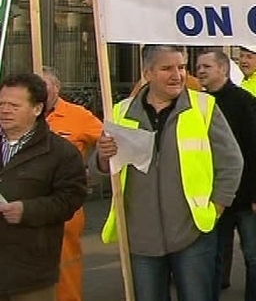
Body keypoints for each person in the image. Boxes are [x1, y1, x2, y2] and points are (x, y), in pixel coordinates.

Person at [90, 44, 243, 301]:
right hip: (141, 235)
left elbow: (231, 162)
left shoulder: (203, 107)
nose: (178, 75)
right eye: (167, 68)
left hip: (192, 232)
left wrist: (217, 207)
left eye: (181, 67)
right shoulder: (121, 112)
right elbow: (104, 168)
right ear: (147, 73)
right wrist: (102, 157)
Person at [195, 49, 256, 301]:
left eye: (207, 66)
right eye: (198, 67)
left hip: (246, 195)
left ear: (223, 70)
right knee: (214, 253)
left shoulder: (244, 102)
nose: (200, 71)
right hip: (216, 195)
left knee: (254, 254)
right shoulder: (198, 104)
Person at [0, 73, 87, 301]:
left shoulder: (61, 152)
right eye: (2, 104)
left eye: (14, 105)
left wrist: (27, 210)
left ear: (37, 109)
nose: (5, 110)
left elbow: (70, 199)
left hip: (31, 271)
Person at [40, 67, 103, 301]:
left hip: (65, 207)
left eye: (43, 86)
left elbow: (109, 141)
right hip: (25, 205)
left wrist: (90, 171)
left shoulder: (78, 115)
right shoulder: (21, 114)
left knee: (65, 267)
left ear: (57, 88)